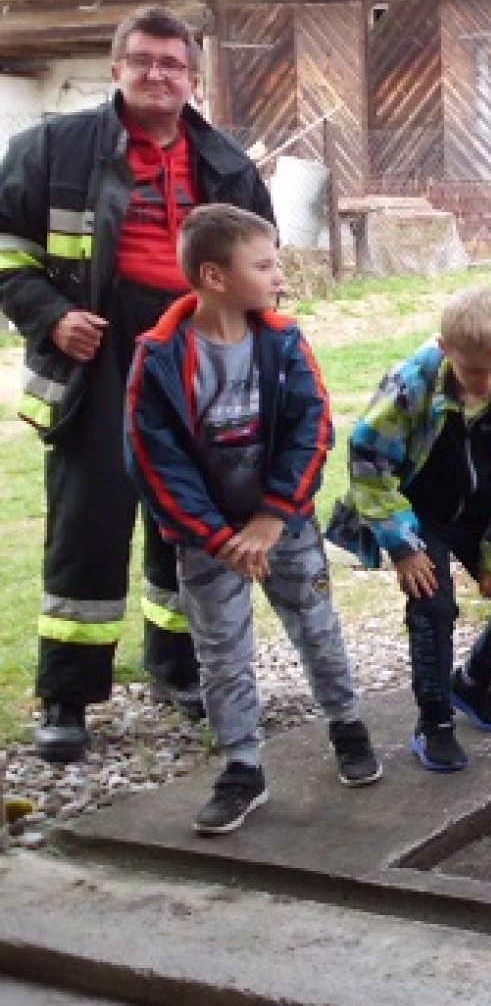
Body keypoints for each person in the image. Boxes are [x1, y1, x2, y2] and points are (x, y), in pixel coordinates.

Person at [0, 6, 275, 764]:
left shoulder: (227, 164)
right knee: (90, 517)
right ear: (117, 67)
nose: (158, 75)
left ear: (192, 78)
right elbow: (6, 244)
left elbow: (264, 268)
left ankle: (177, 668)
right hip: (99, 348)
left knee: (188, 514)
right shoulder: (56, 148)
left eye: (173, 65)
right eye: (144, 61)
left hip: (198, 346)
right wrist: (52, 317)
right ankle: (67, 695)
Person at [125, 204, 378, 835]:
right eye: (264, 265)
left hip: (284, 527)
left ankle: (347, 724)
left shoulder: (284, 342)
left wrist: (271, 516)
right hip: (207, 542)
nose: (278, 277)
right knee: (221, 653)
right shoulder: (158, 358)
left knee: (316, 627)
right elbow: (155, 460)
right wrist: (216, 537)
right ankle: (242, 766)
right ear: (214, 277)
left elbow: (311, 427)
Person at [327, 285, 491, 773]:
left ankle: (471, 682)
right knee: (433, 605)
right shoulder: (410, 386)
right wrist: (403, 547)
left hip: (482, 511)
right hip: (418, 510)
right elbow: (369, 463)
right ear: (446, 349)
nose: (489, 383)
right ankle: (434, 722)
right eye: (476, 371)